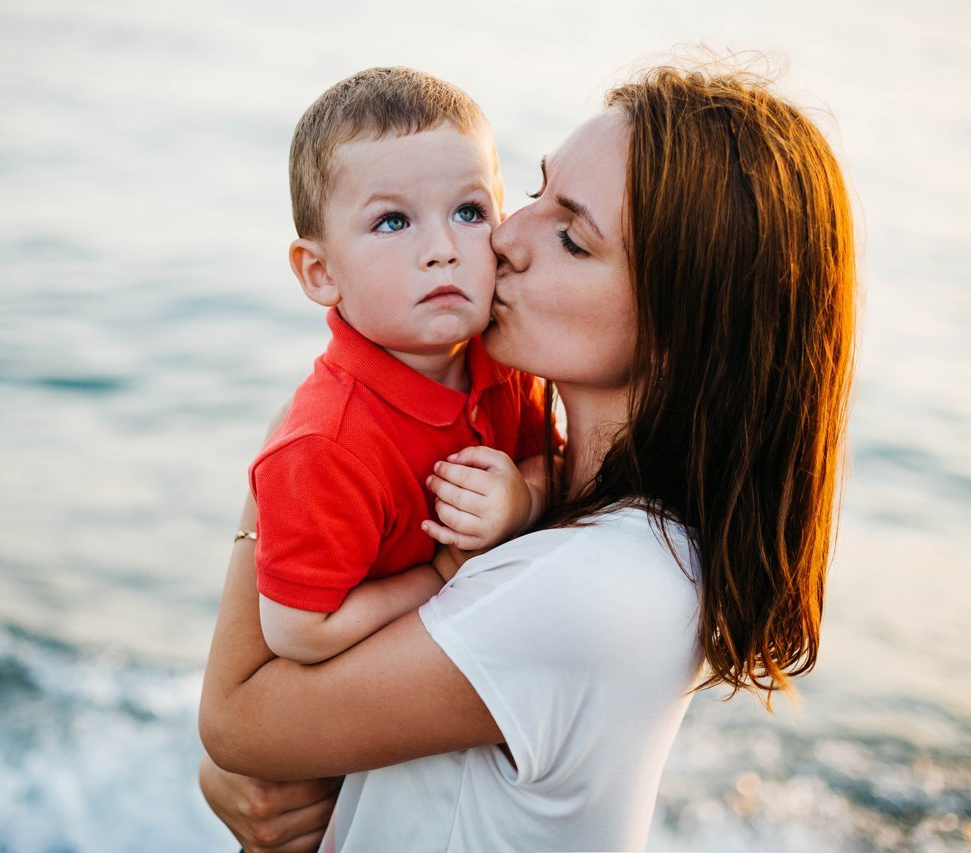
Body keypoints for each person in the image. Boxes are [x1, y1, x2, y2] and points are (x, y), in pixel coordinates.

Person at [200, 62, 857, 851]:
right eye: (535, 193)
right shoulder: (563, 503)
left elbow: (238, 723)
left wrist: (292, 449)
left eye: (571, 237)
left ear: (682, 326)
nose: (502, 239)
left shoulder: (596, 588)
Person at [252, 67, 549, 665]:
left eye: (469, 212)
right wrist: (440, 574)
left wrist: (524, 501)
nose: (442, 249)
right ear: (321, 272)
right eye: (393, 221)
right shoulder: (323, 449)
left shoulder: (511, 361)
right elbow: (298, 632)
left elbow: (555, 461)